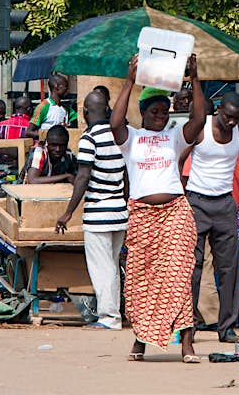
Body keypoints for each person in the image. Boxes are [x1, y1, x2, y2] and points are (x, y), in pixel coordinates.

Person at [110, 54, 207, 363]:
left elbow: (200, 120)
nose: (161, 116)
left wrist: (195, 78)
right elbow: (115, 122)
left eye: (165, 111)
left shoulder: (175, 137)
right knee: (141, 279)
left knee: (179, 277)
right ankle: (140, 341)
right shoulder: (131, 139)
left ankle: (187, 344)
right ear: (142, 113)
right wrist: (129, 81)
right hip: (141, 216)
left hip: (176, 212)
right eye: (154, 111)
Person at [185, 91, 239, 344]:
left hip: (225, 204)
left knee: (229, 269)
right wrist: (180, 200)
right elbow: (180, 160)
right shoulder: (201, 128)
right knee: (193, 268)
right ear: (219, 111)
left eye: (237, 118)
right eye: (228, 117)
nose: (232, 122)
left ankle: (226, 328)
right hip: (197, 202)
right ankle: (187, 328)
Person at [57, 90, 129, 329]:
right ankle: (114, 314)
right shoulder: (119, 134)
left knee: (103, 268)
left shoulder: (89, 138)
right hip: (119, 212)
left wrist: (68, 213)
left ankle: (109, 318)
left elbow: (83, 176)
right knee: (113, 265)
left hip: (98, 214)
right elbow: (126, 175)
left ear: (85, 111)